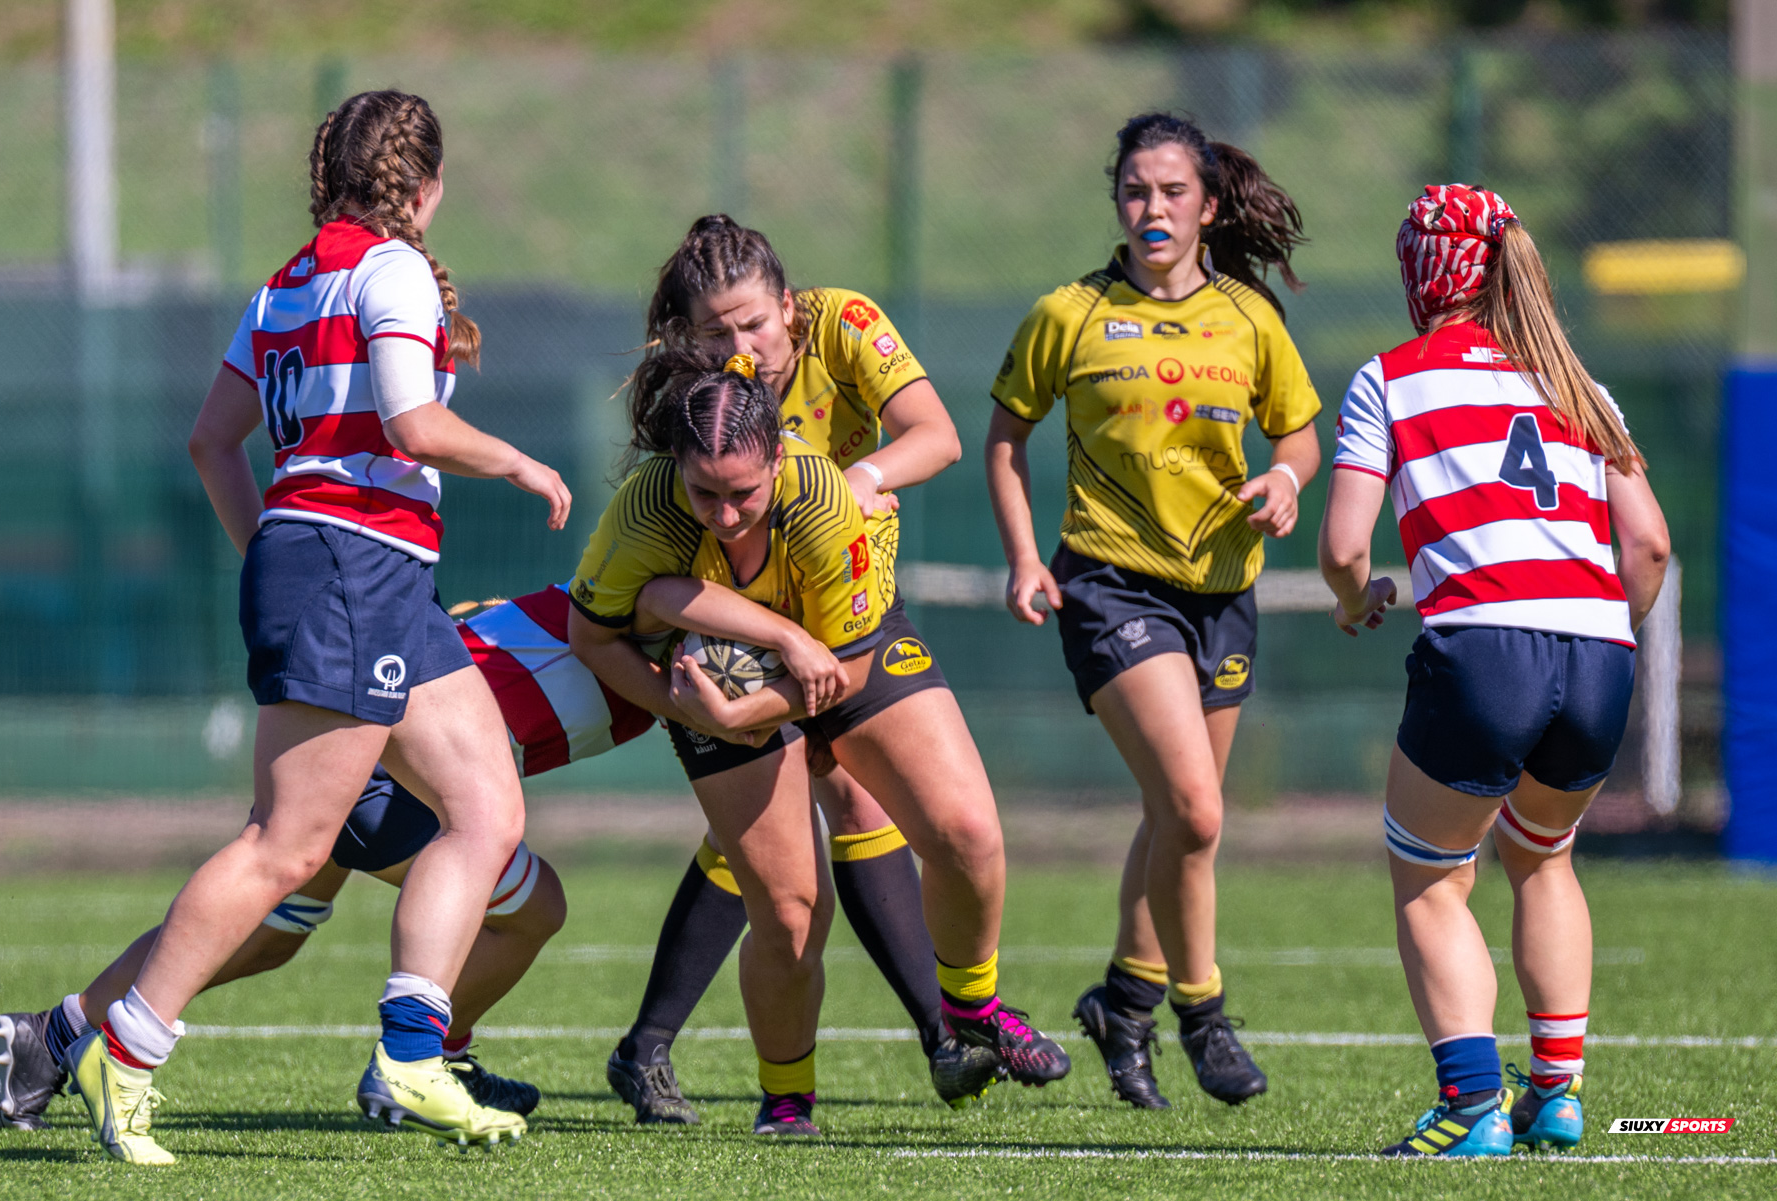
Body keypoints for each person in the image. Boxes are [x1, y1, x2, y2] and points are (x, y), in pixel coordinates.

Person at [64, 90, 571, 1164]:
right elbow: (411, 422)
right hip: (353, 563)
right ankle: (128, 1046)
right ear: (424, 190)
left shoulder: (286, 283)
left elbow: (213, 442)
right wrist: (517, 460)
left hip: (368, 572)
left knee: (487, 810)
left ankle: (412, 1055)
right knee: (285, 847)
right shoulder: (388, 270)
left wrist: (269, 550)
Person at [568, 349, 1069, 1137]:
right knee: (792, 911)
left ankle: (969, 1006)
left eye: (742, 494)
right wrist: (716, 709)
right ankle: (787, 1099)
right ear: (676, 466)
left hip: (841, 654)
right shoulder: (646, 509)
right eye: (705, 492)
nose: (725, 514)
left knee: (968, 831)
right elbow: (592, 637)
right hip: (717, 694)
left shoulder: (822, 497)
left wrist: (771, 685)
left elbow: (851, 666)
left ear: (777, 454)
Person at [0, 584, 651, 1131]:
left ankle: (47, 1037)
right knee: (533, 907)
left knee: (266, 932)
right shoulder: (655, 599)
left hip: (378, 749)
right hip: (383, 765)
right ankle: (421, 1056)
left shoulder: (655, 601)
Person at [1318, 184, 1670, 1156]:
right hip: (1601, 654)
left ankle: (1472, 1105)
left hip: (1483, 650)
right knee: (1543, 856)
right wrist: (1596, 629)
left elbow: (1346, 546)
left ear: (1419, 271)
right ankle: (1556, 1093)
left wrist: (1358, 602)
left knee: (1430, 877)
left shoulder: (1390, 378)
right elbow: (1647, 548)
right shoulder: (1575, 381)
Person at [986, 112, 1320, 1110]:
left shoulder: (1250, 320)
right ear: (1117, 200)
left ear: (1209, 206)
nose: (1153, 209)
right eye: (1136, 190)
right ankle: (1201, 1011)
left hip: (1221, 590)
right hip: (1110, 582)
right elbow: (1006, 439)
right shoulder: (1071, 314)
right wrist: (1019, 559)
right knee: (1198, 809)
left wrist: (1290, 481)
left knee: (1180, 820)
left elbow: (1298, 436)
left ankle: (1122, 999)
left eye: (1174, 192)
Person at [604, 216, 965, 1125]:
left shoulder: (842, 325)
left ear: (790, 310)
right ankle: (926, 1041)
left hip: (845, 608)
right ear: (686, 338)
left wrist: (845, 485)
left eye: (755, 325)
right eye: (716, 332)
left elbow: (937, 437)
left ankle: (945, 1030)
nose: (740, 348)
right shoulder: (691, 418)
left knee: (843, 816)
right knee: (781, 864)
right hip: (749, 632)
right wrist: (730, 673)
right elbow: (641, 597)